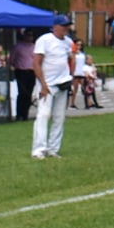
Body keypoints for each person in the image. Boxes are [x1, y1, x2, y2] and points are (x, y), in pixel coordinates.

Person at [32, 14, 77, 159]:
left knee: (59, 117)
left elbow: (71, 58)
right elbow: (36, 63)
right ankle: (39, 149)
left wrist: (70, 74)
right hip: (48, 84)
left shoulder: (68, 42)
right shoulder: (45, 40)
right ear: (55, 27)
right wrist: (43, 84)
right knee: (43, 115)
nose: (66, 28)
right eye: (64, 26)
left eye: (67, 26)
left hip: (62, 83)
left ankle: (53, 148)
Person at [11, 29, 38, 123]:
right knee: (22, 93)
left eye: (31, 35)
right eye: (28, 35)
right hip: (21, 71)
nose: (30, 37)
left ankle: (25, 114)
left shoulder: (35, 47)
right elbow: (12, 59)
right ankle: (19, 114)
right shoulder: (18, 46)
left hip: (31, 72)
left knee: (28, 94)